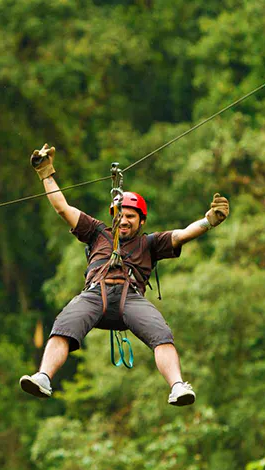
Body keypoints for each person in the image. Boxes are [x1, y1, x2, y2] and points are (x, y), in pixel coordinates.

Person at [19, 144, 229, 406]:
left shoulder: (150, 243)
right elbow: (62, 208)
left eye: (131, 216)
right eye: (120, 215)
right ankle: (44, 377)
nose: (124, 220)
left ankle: (177, 385)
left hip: (131, 299)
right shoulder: (97, 233)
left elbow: (183, 233)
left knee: (161, 334)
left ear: (141, 221)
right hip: (96, 294)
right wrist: (45, 172)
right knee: (63, 327)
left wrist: (209, 220)